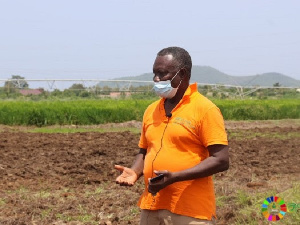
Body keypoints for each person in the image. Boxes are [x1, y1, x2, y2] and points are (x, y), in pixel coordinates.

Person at [115, 46, 229, 225]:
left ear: (182, 74)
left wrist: (175, 177)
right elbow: (144, 150)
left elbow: (221, 160)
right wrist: (135, 172)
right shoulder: (152, 110)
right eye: (154, 74)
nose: (156, 79)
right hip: (152, 206)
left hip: (190, 212)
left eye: (162, 74)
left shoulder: (205, 109)